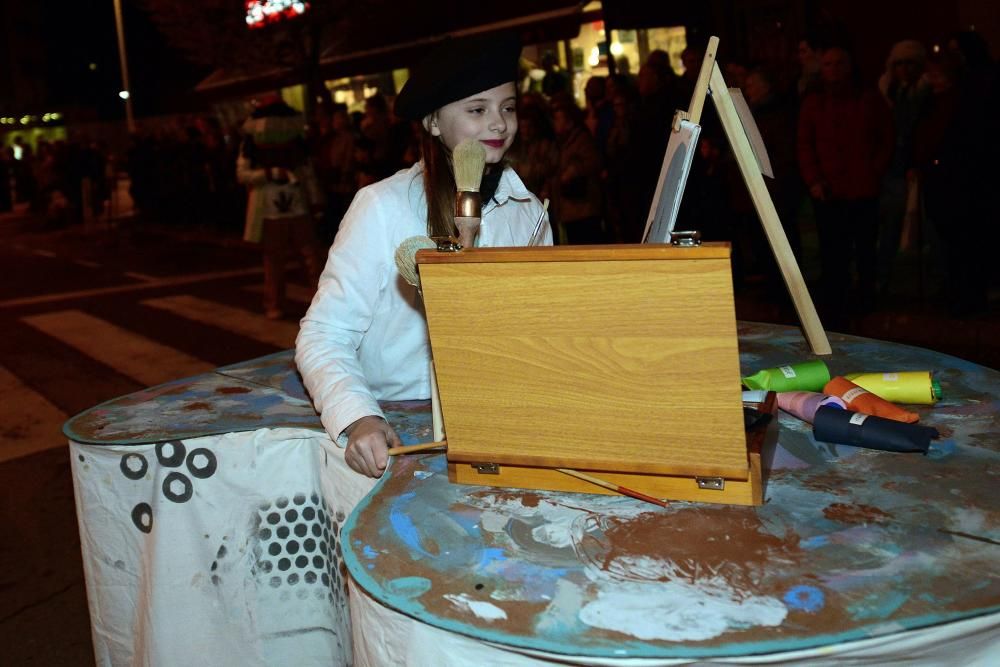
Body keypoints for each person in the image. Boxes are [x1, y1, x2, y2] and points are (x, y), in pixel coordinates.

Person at [296, 33, 552, 478]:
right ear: (433, 122)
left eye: (508, 108)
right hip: (399, 424)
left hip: (498, 423)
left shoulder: (530, 213)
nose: (498, 124)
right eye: (477, 109)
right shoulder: (383, 206)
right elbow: (323, 333)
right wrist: (360, 418)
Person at [237, 92, 325, 320]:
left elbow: (307, 172)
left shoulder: (296, 144)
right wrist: (268, 173)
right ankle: (274, 302)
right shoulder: (251, 146)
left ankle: (323, 304)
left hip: (297, 205)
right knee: (276, 259)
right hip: (269, 208)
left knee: (311, 257)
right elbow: (242, 174)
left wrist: (315, 200)